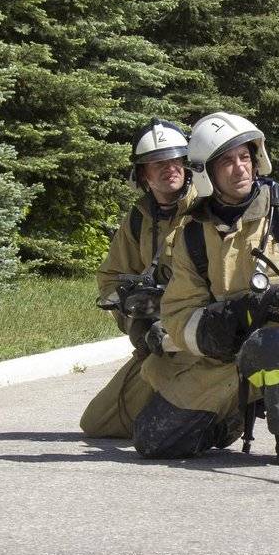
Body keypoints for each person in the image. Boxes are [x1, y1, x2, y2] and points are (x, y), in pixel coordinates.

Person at [137, 112, 279, 465]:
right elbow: (179, 312)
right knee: (154, 441)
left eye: (245, 157)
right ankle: (231, 415)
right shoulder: (193, 233)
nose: (241, 169)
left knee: (270, 345)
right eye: (227, 162)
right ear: (205, 173)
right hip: (229, 355)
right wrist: (227, 321)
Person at [81, 119, 196, 439]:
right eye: (158, 163)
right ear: (143, 174)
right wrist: (135, 317)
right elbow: (110, 279)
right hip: (159, 341)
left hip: (203, 336)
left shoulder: (210, 210)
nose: (169, 168)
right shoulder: (138, 219)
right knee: (98, 423)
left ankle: (222, 415)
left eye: (175, 160)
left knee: (180, 423)